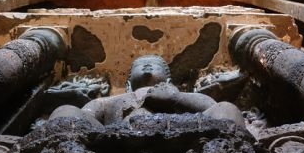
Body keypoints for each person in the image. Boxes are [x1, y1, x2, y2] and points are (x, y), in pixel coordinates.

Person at [49, 55, 244, 127]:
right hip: (117, 141)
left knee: (226, 109)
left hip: (179, 134)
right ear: (127, 85)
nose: (147, 67)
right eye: (140, 66)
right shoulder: (108, 102)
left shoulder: (181, 96)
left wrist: (174, 98)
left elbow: (211, 108)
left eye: (153, 65)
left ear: (168, 80)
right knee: (65, 111)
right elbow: (85, 116)